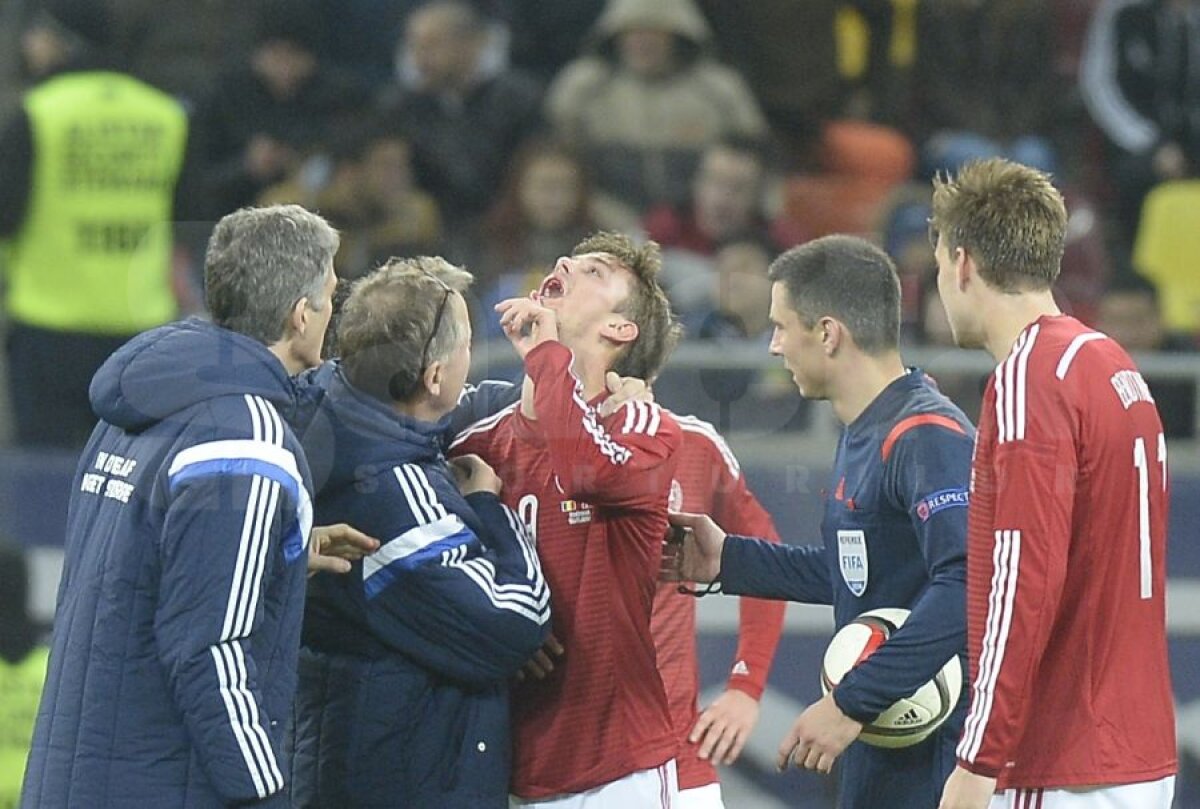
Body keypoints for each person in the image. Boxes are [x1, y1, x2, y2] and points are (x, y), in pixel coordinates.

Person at [20, 205, 374, 808]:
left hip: (74, 778)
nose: (330, 313)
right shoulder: (247, 439)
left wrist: (273, 554)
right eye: (330, 296)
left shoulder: (136, 407)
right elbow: (210, 647)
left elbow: (145, 562)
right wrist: (265, 787)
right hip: (164, 784)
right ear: (299, 313)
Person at [665, 234, 975, 809]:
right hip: (882, 737)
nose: (774, 346)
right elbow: (860, 573)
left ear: (829, 332)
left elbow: (966, 584)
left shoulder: (926, 435)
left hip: (931, 748)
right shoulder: (867, 427)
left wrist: (850, 703)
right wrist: (729, 559)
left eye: (781, 326)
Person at [929, 158, 1177, 808]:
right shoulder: (1111, 363)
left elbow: (1022, 577)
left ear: (962, 263)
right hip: (1135, 753)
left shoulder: (1030, 377)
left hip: (1060, 757)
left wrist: (979, 758)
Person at [291, 259, 551, 808]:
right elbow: (514, 622)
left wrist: (557, 392)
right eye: (463, 353)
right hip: (402, 776)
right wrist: (487, 504)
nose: (468, 368)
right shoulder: (392, 494)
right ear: (433, 377)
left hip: (343, 754)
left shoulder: (327, 400)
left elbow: (456, 410)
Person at [450, 232, 685, 805]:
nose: (562, 265)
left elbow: (585, 471)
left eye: (594, 271)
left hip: (617, 773)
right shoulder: (476, 448)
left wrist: (547, 357)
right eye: (569, 261)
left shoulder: (646, 430)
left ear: (619, 330)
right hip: (511, 770)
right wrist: (507, 631)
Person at [0, 0, 191, 448]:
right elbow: (188, 222)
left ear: (60, 40)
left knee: (45, 489)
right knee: (129, 481)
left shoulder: (38, 112)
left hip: (48, 327)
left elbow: (6, 217)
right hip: (142, 328)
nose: (29, 45)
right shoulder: (165, 115)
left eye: (36, 34)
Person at [654, 414, 787, 809]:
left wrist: (747, 685)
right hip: (559, 758)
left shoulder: (693, 444)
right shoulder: (508, 437)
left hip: (678, 755)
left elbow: (768, 559)